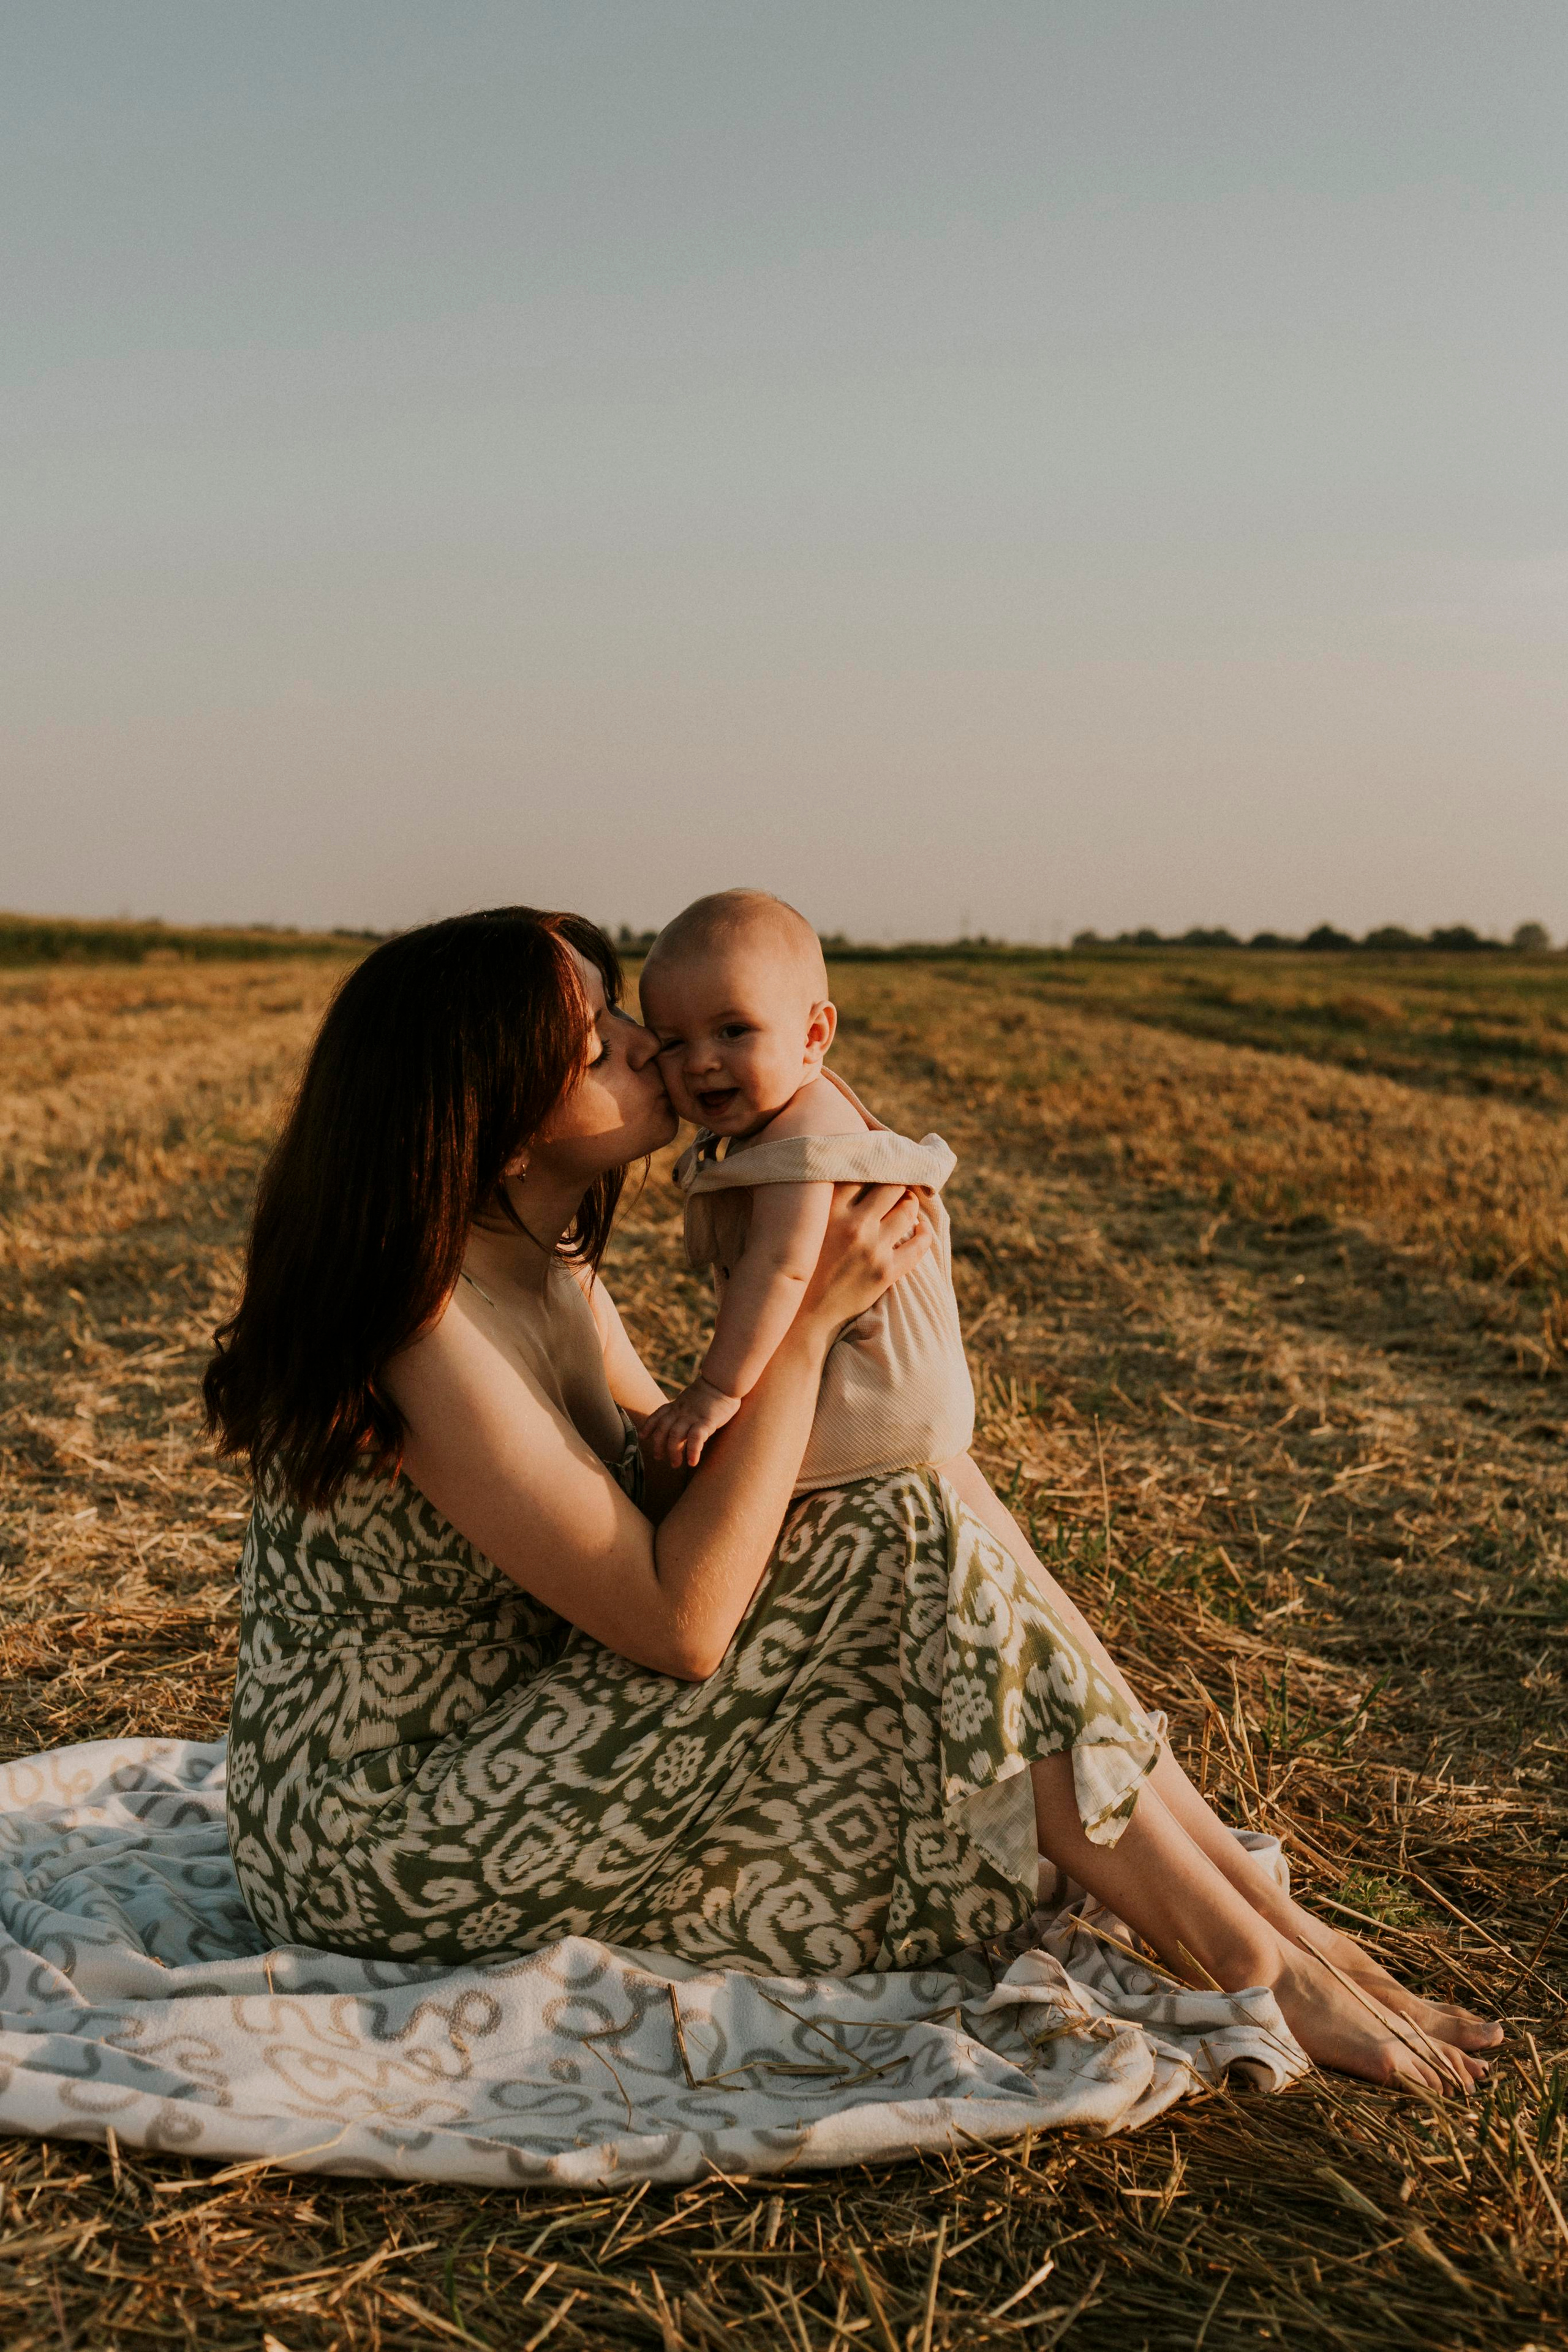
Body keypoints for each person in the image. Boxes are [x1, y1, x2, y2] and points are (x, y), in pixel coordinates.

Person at [204, 906, 1498, 2095]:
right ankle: (1252, 1959)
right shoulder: (423, 1330)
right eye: (600, 1039)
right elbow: (681, 1623)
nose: (651, 1049)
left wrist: (824, 1400)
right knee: (891, 1523)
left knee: (922, 1490)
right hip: (389, 1837)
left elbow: (701, 1503)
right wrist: (811, 1322)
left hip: (536, 1743)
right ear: (494, 1100)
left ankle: (1261, 1920)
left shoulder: (550, 1274)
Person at [638, 888, 974, 1484]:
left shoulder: (803, 1141)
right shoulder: (800, 1108)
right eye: (672, 1042)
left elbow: (782, 1268)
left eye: (733, 1030)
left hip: (875, 1394)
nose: (700, 1062)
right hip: (895, 1386)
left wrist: (714, 1390)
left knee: (715, 1487)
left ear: (814, 1034)